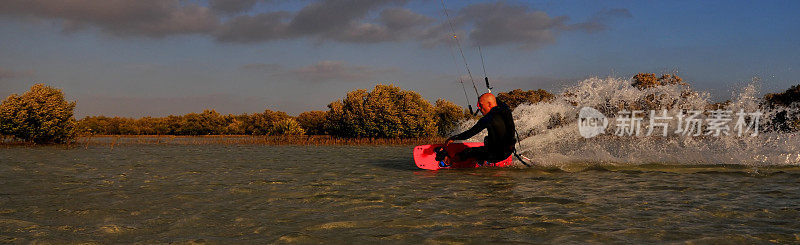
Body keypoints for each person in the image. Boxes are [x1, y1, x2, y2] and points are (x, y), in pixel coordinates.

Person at [440, 93, 517, 164]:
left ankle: (449, 162)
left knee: (468, 152)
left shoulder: (488, 119)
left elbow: (470, 133)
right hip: (509, 151)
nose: (479, 108)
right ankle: (483, 160)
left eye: (481, 105)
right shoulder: (506, 109)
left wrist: (454, 138)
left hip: (496, 155)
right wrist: (488, 97)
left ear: (489, 104)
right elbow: (497, 101)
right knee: (487, 139)